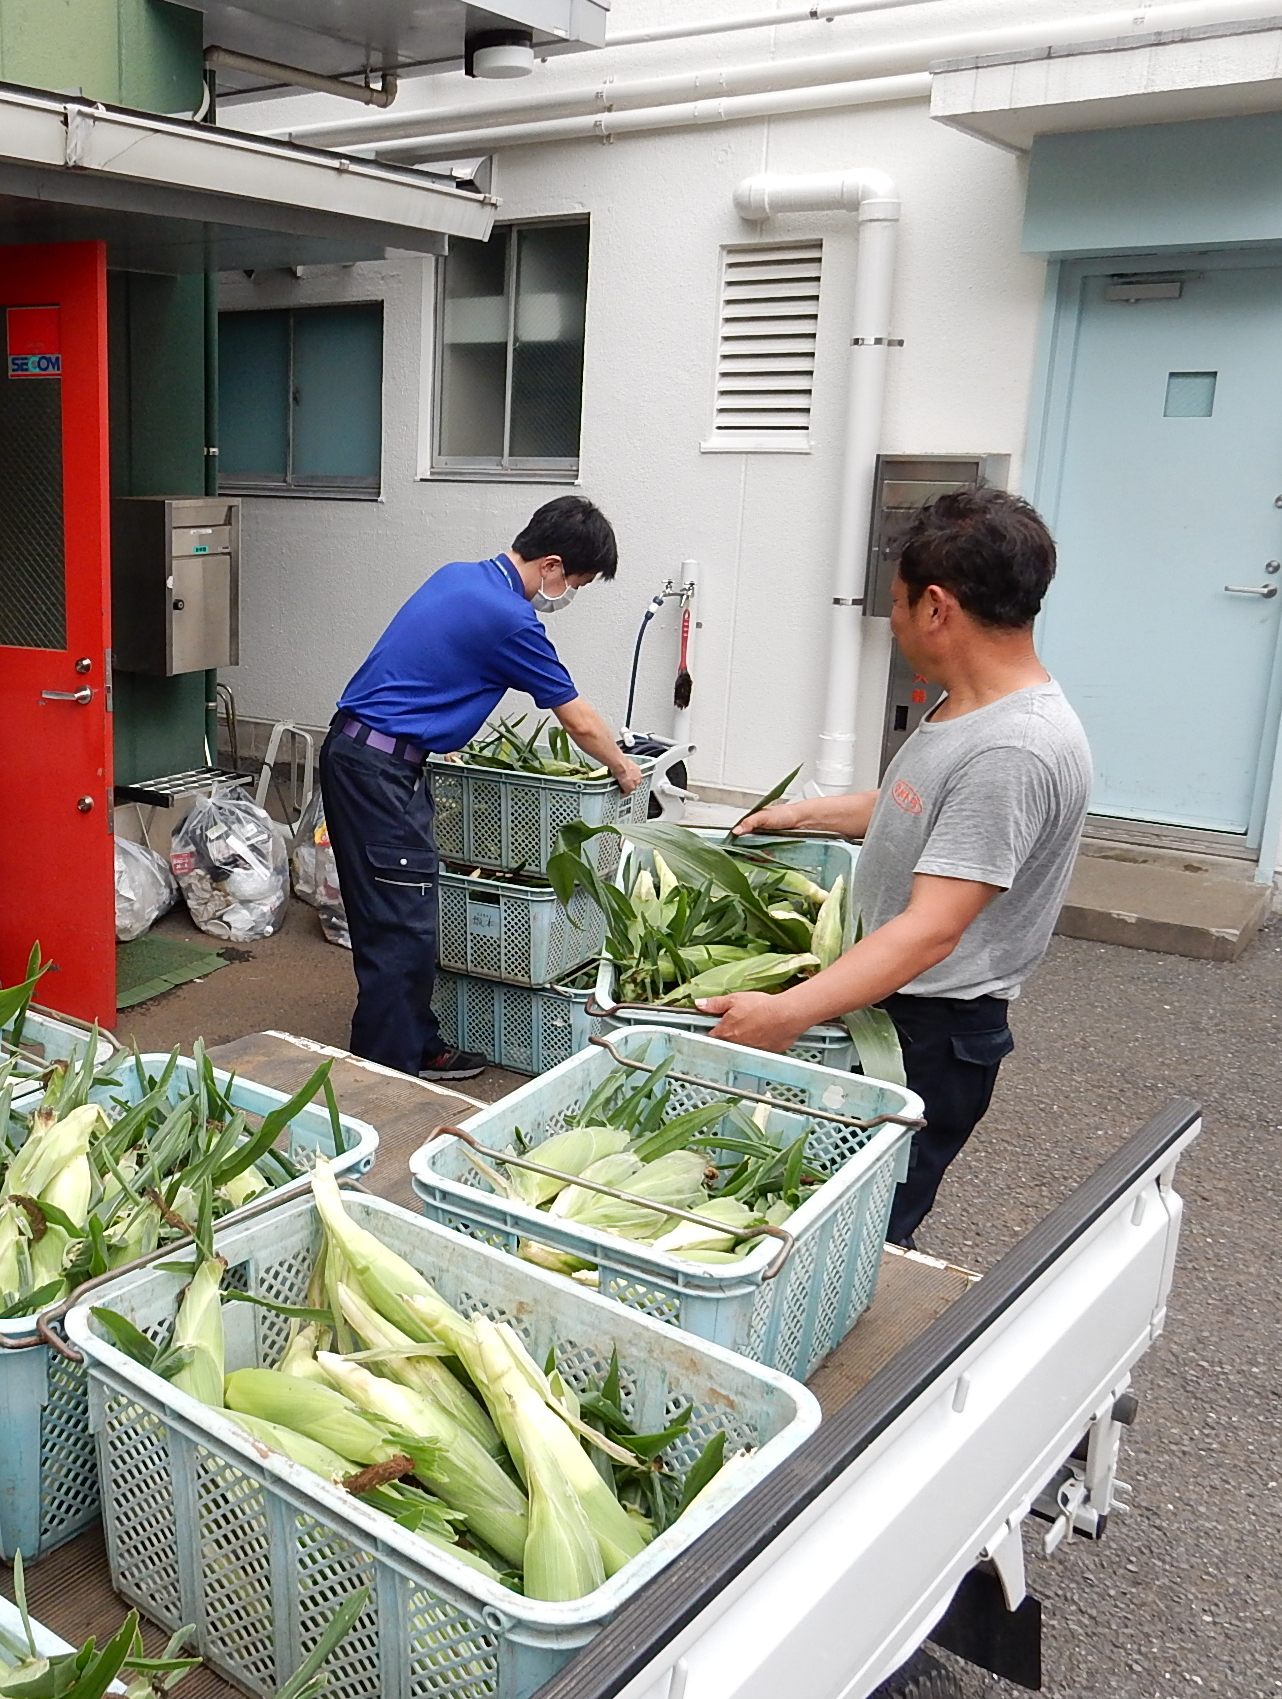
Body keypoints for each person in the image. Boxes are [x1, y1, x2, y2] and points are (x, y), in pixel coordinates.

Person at [696, 486, 1091, 1248]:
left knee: (857, 1233)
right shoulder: (966, 708)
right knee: (804, 1210)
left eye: (900, 604)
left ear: (937, 607)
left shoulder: (1013, 748)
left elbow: (929, 932)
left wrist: (785, 1014)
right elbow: (913, 804)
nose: (896, 621)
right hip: (889, 1004)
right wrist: (801, 814)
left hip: (929, 1036)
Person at [320, 496, 642, 1082]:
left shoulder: (458, 576)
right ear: (549, 565)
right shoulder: (511, 620)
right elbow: (579, 721)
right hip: (379, 771)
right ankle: (385, 1073)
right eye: (574, 580)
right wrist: (624, 768)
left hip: (361, 755)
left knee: (394, 913)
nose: (569, 594)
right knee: (402, 924)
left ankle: (413, 1043)